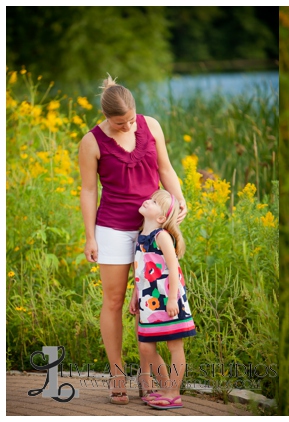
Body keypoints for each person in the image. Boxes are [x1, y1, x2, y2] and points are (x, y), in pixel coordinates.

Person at [78, 75, 188, 404]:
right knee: (113, 303)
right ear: (105, 117)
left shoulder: (150, 126)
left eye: (130, 120)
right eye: (119, 123)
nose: (127, 127)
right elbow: (87, 191)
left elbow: (166, 169)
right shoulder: (91, 142)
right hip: (112, 228)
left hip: (151, 227)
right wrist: (89, 236)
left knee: (147, 302)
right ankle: (116, 376)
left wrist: (179, 199)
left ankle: (148, 377)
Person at [128, 188, 196, 410]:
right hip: (149, 302)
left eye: (154, 202)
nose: (148, 201)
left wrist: (173, 299)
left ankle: (174, 392)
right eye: (150, 198)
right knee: (146, 347)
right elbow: (139, 272)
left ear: (160, 218)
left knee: (174, 345)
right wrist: (134, 295)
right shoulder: (140, 237)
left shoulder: (162, 237)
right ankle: (166, 387)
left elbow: (174, 269)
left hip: (168, 300)